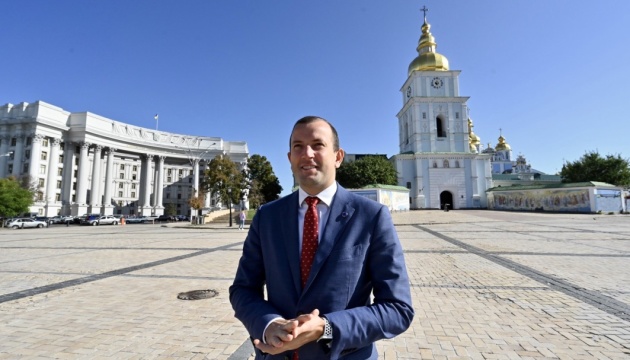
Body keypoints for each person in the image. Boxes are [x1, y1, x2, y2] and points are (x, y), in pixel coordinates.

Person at [229, 116, 414, 359]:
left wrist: (326, 328)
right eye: (298, 146)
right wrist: (268, 324)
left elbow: (397, 309)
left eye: (318, 145)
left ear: (338, 157)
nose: (307, 153)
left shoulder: (371, 216)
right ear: (290, 158)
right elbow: (243, 289)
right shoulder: (267, 216)